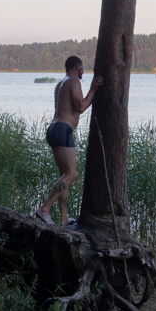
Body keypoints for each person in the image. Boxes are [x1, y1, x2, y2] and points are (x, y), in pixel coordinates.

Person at [36, 55, 104, 226]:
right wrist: (93, 89)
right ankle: (44, 209)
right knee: (71, 174)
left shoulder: (60, 83)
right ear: (77, 66)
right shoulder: (74, 81)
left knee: (64, 175)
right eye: (83, 67)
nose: (84, 72)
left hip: (53, 128)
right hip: (63, 130)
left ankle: (64, 218)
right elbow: (80, 106)